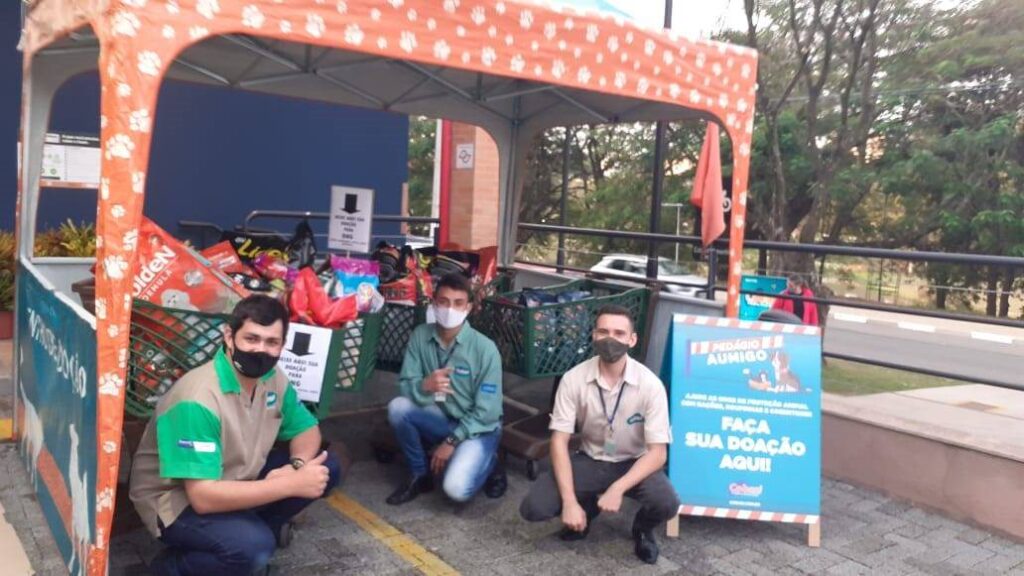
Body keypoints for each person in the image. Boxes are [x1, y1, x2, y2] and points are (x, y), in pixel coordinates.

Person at [130, 295, 341, 576]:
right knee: (253, 548)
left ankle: (244, 532)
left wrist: (296, 466)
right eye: (251, 339)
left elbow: (306, 428)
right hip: (176, 500)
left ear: (282, 345)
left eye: (271, 342)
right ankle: (169, 569)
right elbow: (203, 497)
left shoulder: (272, 378)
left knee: (327, 467)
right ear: (229, 337)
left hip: (235, 474)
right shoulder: (197, 399)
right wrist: (290, 485)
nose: (260, 350)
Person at [519, 305, 680, 565]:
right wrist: (570, 502)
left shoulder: (650, 385)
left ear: (632, 339)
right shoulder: (573, 379)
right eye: (603, 331)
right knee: (533, 508)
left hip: (633, 462)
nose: (610, 339)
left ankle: (642, 529)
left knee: (667, 503)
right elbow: (559, 442)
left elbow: (658, 453)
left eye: (619, 332)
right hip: (590, 458)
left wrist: (618, 488)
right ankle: (586, 509)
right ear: (593, 335)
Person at [385, 272, 507, 505]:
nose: (450, 309)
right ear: (434, 302)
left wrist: (451, 442)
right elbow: (405, 384)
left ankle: (491, 462)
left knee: (456, 490)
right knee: (398, 408)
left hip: (477, 427)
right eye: (444, 302)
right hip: (442, 417)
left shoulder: (485, 349)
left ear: (469, 307)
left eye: (458, 303)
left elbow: (487, 411)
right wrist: (424, 386)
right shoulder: (421, 335)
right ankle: (420, 474)